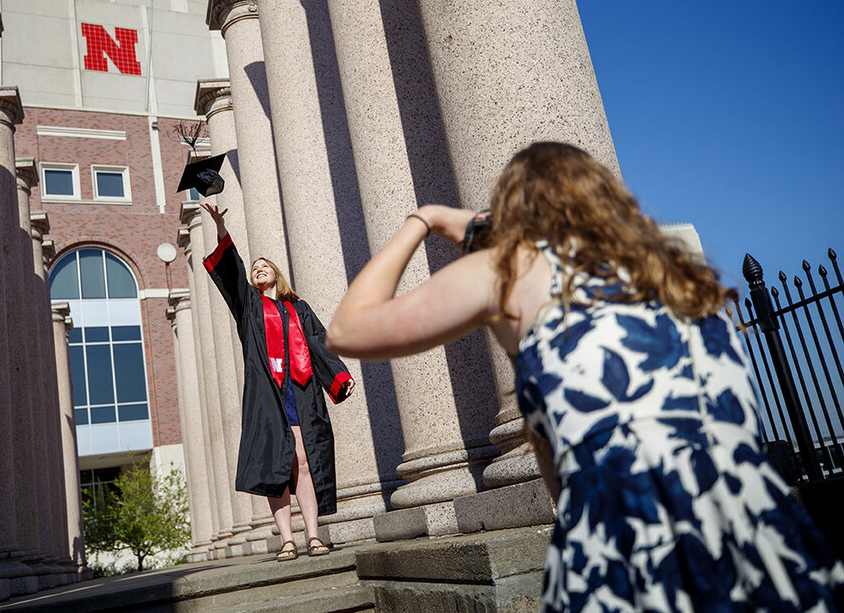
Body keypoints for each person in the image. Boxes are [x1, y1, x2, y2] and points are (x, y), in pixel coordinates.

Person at [326, 142, 843, 610]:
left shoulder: (510, 271)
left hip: (628, 548)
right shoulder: (678, 275)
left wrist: (425, 219)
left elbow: (347, 330)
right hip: (763, 536)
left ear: (512, 216)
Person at [200, 202, 355, 562]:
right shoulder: (248, 307)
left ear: (276, 274)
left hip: (299, 392)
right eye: (255, 268)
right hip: (267, 393)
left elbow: (318, 342)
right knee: (277, 465)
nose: (258, 269)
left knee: (303, 459)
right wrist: (222, 229)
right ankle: (287, 539)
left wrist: (339, 377)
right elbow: (233, 271)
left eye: (264, 265)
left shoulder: (298, 309)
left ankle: (313, 536)